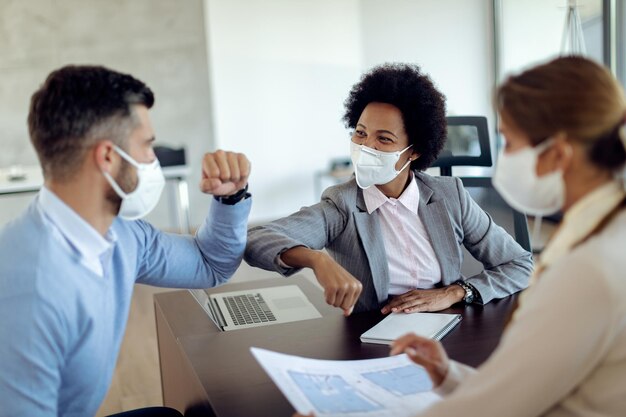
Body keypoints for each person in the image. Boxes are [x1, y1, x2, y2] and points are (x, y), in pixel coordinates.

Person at [0, 65, 252, 416]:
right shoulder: (27, 294)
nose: (153, 160)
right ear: (107, 157)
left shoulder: (118, 232)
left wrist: (231, 197)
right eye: (147, 146)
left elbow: (210, 265)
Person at [383, 56, 626, 416]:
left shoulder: (588, 270)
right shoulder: (606, 229)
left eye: (509, 143)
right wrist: (449, 375)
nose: (504, 159)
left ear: (557, 154)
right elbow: (531, 383)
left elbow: (494, 409)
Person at [245, 63, 533, 316]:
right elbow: (256, 240)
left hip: (451, 328)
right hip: (374, 339)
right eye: (360, 133)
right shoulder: (342, 204)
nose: (366, 147)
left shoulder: (449, 195)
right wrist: (316, 259)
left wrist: (456, 292)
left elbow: (520, 264)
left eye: (384, 139)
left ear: (414, 151)